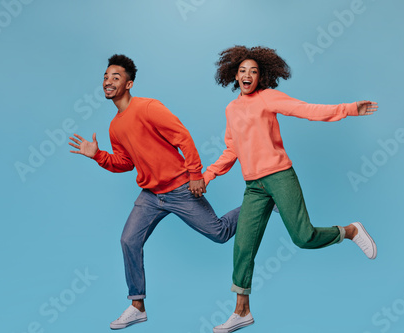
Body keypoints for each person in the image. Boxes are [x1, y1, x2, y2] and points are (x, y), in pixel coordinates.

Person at [203, 46, 378, 333]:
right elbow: (232, 149)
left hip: (280, 176)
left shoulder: (268, 97)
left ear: (262, 76)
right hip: (254, 186)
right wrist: (208, 175)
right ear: (235, 75)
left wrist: (348, 109)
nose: (248, 75)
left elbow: (306, 110)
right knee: (243, 246)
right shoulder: (231, 109)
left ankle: (350, 231)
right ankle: (241, 311)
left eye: (254, 71)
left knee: (303, 238)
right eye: (243, 71)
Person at [68, 54, 239, 330]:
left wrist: (195, 174)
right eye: (105, 77)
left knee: (219, 233)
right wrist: (97, 155)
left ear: (129, 83)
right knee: (128, 241)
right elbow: (125, 163)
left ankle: (261, 201)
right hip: (150, 196)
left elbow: (182, 136)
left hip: (180, 188)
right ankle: (137, 306)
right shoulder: (115, 126)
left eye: (116, 77)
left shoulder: (148, 107)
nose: (108, 81)